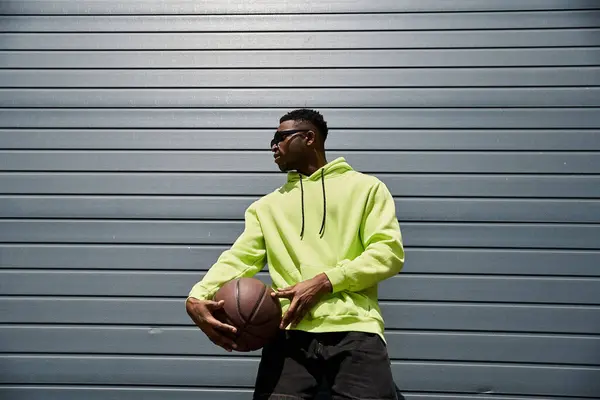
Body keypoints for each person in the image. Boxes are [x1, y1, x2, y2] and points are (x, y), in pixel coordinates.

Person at [185, 109, 405, 399]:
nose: (273, 146)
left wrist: (327, 280)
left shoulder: (366, 189)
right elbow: (238, 259)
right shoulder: (266, 207)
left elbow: (387, 252)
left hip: (355, 331)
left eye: (280, 137)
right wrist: (197, 296)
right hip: (289, 335)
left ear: (309, 137)